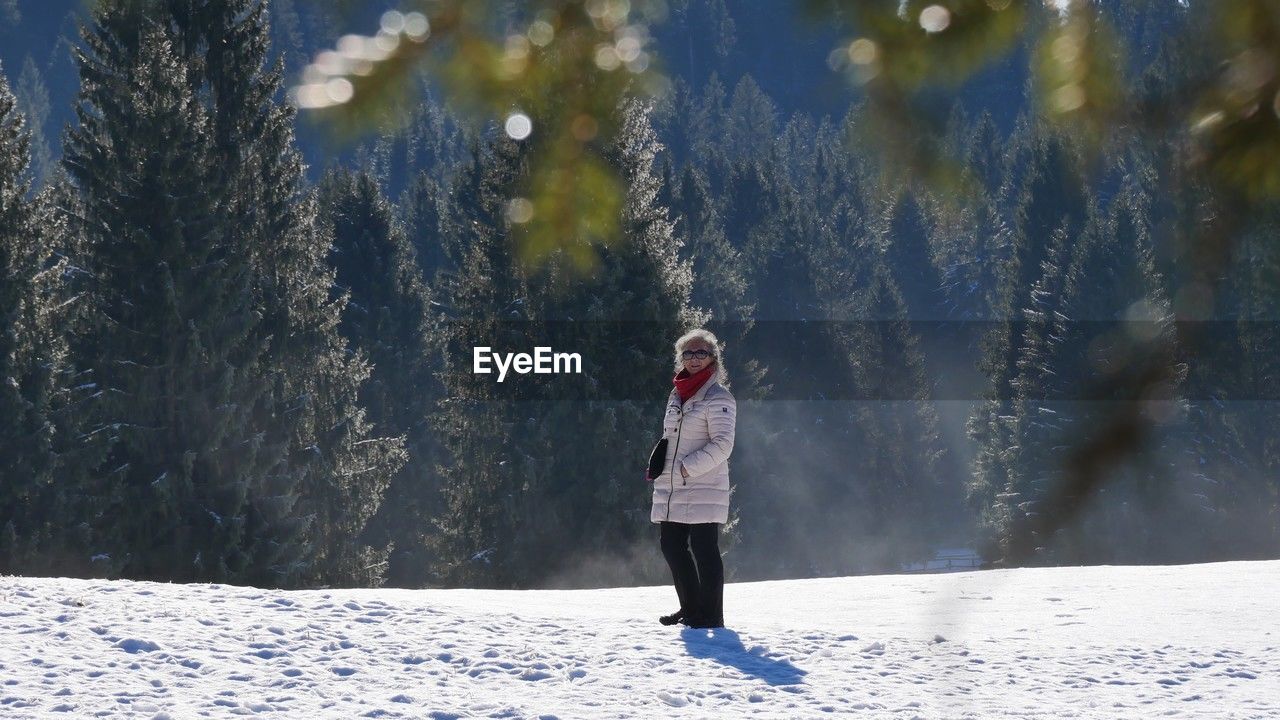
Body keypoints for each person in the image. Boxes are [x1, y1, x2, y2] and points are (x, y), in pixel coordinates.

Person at [650, 328, 736, 629]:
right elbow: (670, 437)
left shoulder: (719, 397)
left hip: (703, 484)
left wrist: (688, 467)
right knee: (672, 547)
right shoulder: (677, 394)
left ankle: (711, 616)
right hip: (673, 485)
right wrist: (659, 460)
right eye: (688, 353)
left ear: (713, 358)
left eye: (701, 353)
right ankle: (690, 608)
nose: (694, 359)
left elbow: (723, 444)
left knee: (704, 550)